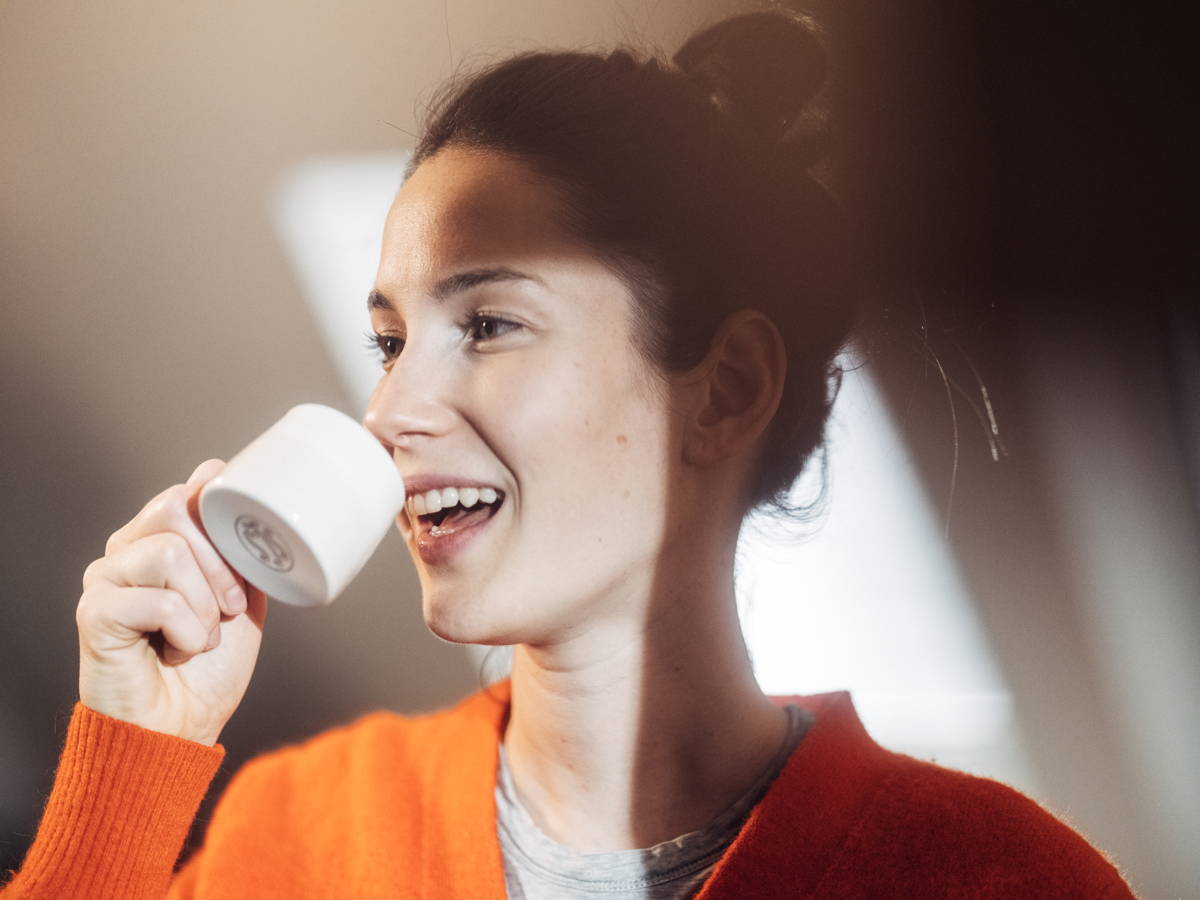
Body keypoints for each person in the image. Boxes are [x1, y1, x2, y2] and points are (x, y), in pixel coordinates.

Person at [2, 10, 1136, 899]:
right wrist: (132, 762)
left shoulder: (996, 880)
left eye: (490, 324)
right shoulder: (294, 834)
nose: (388, 411)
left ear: (726, 391)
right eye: (390, 343)